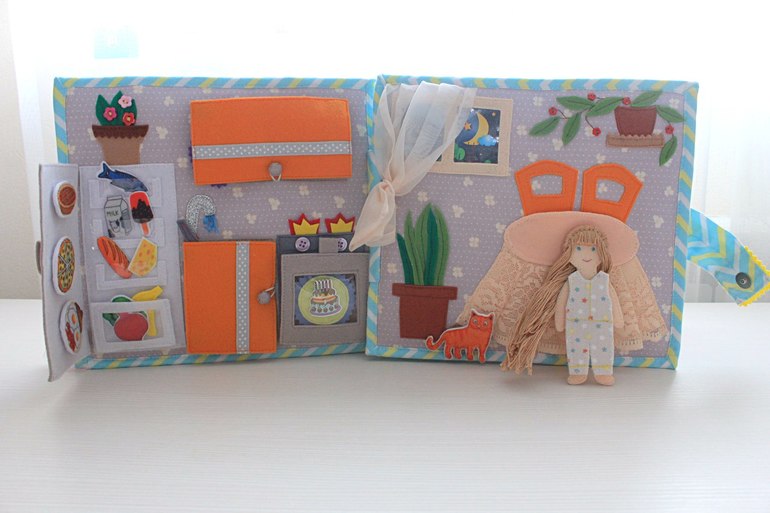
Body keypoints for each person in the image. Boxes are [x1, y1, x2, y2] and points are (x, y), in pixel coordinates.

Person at [502, 225, 623, 385]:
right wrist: (560, 323)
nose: (586, 254)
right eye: (578, 249)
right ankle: (578, 373)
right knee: (576, 348)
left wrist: (618, 320)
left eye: (593, 249)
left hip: (603, 324)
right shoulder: (572, 281)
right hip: (576, 325)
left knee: (603, 347)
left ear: (602, 254)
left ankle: (604, 373)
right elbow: (561, 303)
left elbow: (614, 301)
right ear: (569, 255)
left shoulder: (604, 280)